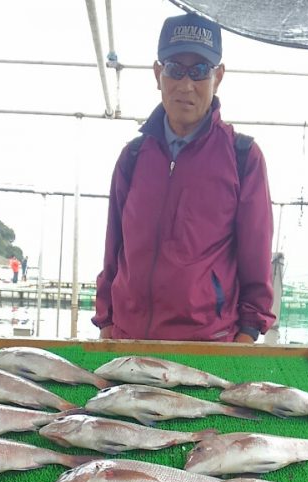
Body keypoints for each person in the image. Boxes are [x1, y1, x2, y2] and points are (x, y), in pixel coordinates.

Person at [92, 12, 275, 343]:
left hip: (208, 344)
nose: (186, 85)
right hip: (127, 338)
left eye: (200, 71)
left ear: (218, 77)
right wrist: (106, 320)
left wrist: (247, 333)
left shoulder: (243, 156)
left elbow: (256, 260)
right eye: (175, 69)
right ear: (158, 73)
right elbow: (113, 249)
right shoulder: (132, 158)